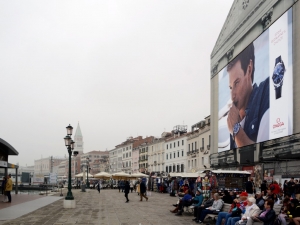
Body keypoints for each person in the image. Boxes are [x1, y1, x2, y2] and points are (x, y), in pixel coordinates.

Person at [226, 42, 269, 149]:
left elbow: (263, 156)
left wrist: (236, 130)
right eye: (231, 87)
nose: (232, 96)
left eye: (237, 83)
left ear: (249, 69)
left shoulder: (265, 93)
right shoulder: (234, 119)